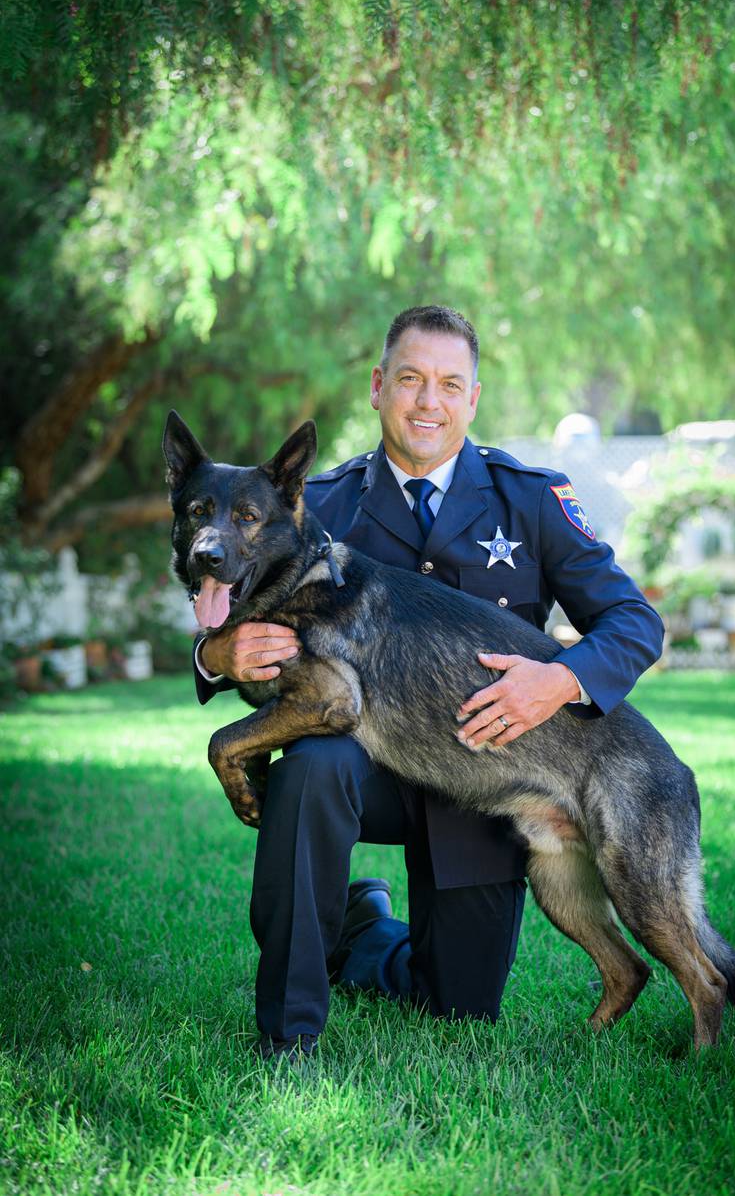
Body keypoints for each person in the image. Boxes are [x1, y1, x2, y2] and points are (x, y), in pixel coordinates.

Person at [193, 305, 664, 1059]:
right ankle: (287, 1032)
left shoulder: (530, 499)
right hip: (363, 766)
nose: (427, 401)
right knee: (313, 765)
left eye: (449, 383)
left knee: (455, 1008)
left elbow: (635, 623)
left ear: (473, 398)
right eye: (410, 379)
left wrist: (559, 679)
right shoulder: (323, 502)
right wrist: (216, 657)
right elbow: (236, 617)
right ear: (379, 387)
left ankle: (364, 929)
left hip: (488, 780)